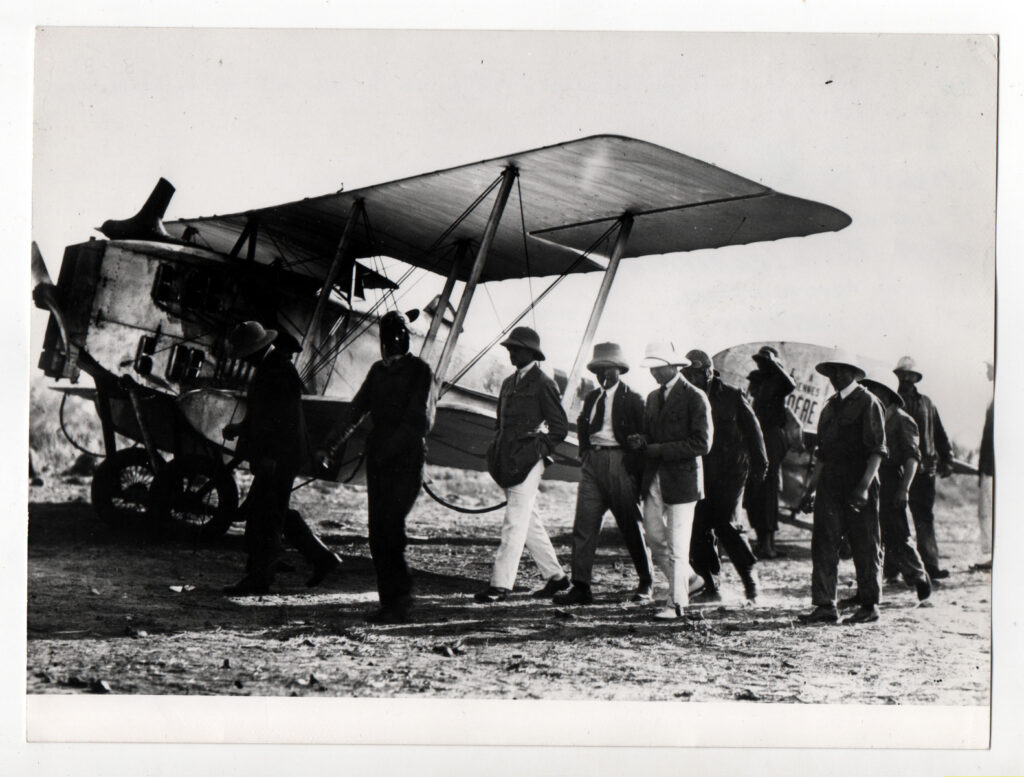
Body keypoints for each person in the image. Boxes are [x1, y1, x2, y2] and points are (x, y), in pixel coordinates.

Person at [320, 311, 433, 624]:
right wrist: (328, 445)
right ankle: (391, 601)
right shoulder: (377, 372)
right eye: (386, 336)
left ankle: (401, 599)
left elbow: (420, 420)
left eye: (396, 335)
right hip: (380, 461)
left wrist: (389, 449)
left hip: (406, 461)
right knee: (376, 532)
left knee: (391, 528)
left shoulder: (420, 370)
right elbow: (356, 409)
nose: (391, 342)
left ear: (404, 338)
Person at [222, 321, 341, 596]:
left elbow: (284, 421)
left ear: (256, 350)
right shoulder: (271, 366)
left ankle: (260, 578)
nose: (245, 359)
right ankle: (320, 558)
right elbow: (263, 415)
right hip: (278, 454)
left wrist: (271, 456)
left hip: (279, 456)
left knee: (268, 515)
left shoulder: (276, 369)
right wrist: (240, 428)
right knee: (271, 509)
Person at [553, 343, 654, 606]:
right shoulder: (591, 397)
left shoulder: (634, 398)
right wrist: (585, 450)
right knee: (584, 524)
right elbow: (583, 424)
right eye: (598, 369)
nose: (602, 374)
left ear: (620, 370)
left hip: (619, 462)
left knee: (631, 526)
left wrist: (633, 460)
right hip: (592, 464)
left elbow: (646, 435)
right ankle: (581, 586)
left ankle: (646, 582)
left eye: (607, 369)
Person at [474, 327, 570, 603]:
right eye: (510, 348)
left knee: (514, 522)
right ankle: (557, 577)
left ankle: (500, 585)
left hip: (528, 462)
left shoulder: (543, 383)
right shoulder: (507, 383)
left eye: (515, 348)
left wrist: (537, 450)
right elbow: (500, 424)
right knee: (527, 521)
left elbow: (559, 428)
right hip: (508, 459)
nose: (511, 352)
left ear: (530, 352)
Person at [798, 351, 886, 625]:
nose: (835, 377)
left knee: (865, 543)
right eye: (831, 372)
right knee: (824, 542)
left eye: (840, 371)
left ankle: (870, 605)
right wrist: (810, 489)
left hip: (859, 482)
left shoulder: (868, 402)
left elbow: (877, 451)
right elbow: (822, 455)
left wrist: (862, 488)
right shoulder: (829, 407)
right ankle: (826, 606)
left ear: (853, 372)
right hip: (830, 485)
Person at [626, 342, 713, 620]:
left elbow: (702, 443)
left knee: (677, 544)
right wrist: (642, 441)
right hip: (655, 478)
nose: (653, 373)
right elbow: (653, 435)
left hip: (683, 481)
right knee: (653, 537)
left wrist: (658, 449)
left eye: (658, 367)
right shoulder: (653, 398)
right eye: (651, 368)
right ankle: (690, 581)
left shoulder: (695, 397)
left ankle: (676, 604)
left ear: (673, 366)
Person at [682, 349, 768, 603]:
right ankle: (711, 585)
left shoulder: (731, 395)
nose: (693, 378)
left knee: (727, 523)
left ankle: (750, 580)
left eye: (697, 373)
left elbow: (754, 431)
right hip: (702, 471)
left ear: (709, 371)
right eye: (688, 373)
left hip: (732, 472)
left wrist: (760, 465)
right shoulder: (687, 398)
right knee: (699, 527)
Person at [856, 373, 931, 605]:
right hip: (870, 478)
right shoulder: (870, 416)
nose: (871, 393)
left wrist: (904, 489)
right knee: (868, 537)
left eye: (875, 389)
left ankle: (919, 577)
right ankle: (866, 590)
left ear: (887, 393)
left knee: (898, 534)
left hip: (891, 481)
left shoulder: (902, 419)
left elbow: (912, 457)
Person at [893, 356, 954, 580]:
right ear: (897, 376)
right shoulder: (891, 402)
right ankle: (894, 567)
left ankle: (930, 565)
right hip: (898, 470)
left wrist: (947, 458)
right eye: (903, 375)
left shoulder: (927, 403)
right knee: (894, 520)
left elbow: (939, 432)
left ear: (916, 378)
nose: (907, 380)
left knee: (924, 518)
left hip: (925, 470)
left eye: (911, 376)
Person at [745, 345, 797, 559]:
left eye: (764, 361)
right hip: (758, 435)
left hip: (772, 436)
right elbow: (752, 395)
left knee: (769, 489)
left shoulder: (778, 382)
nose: (760, 365)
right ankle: (763, 542)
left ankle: (768, 544)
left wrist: (774, 363)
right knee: (755, 489)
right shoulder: (759, 380)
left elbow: (790, 384)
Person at [975, 361, 994, 570]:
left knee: (990, 510)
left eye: (989, 367)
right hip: (988, 466)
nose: (987, 371)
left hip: (993, 468)